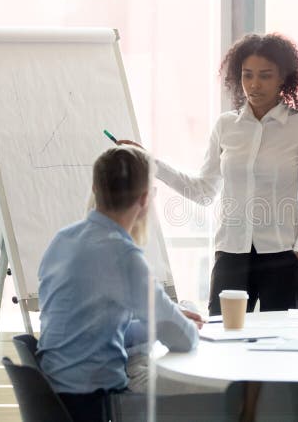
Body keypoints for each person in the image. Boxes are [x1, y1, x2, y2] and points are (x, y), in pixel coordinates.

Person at [121, 33, 298, 316]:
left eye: (265, 76)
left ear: (283, 78)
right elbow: (203, 192)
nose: (254, 84)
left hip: (282, 257)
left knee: (278, 345)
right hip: (231, 255)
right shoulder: (226, 126)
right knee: (223, 342)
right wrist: (150, 163)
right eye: (247, 75)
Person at [37, 146, 202, 422]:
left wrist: (162, 320)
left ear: (94, 187)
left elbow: (92, 328)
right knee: (205, 400)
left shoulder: (62, 239)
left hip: (53, 396)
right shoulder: (124, 256)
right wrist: (179, 322)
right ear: (145, 199)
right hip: (94, 402)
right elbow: (182, 339)